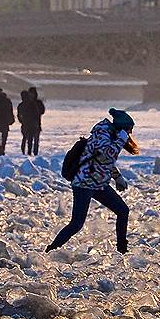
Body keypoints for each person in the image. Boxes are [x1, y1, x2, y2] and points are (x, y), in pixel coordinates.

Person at [46, 108, 138, 254]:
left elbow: (104, 162)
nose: (130, 134)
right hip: (84, 183)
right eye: (129, 130)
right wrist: (121, 139)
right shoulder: (101, 134)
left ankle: (122, 250)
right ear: (122, 128)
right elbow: (107, 154)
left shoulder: (111, 136)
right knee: (76, 224)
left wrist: (117, 177)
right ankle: (51, 250)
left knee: (122, 211)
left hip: (99, 184)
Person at [17, 90, 40, 156]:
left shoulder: (21, 105)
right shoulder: (32, 104)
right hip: (32, 123)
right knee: (30, 138)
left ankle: (23, 151)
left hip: (25, 123)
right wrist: (37, 122)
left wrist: (21, 121)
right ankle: (29, 152)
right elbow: (36, 114)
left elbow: (19, 115)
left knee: (24, 137)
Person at [29, 86, 46, 155]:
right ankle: (29, 152)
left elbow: (42, 111)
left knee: (36, 139)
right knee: (30, 139)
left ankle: (35, 152)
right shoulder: (28, 102)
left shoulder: (38, 102)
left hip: (36, 123)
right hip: (29, 123)